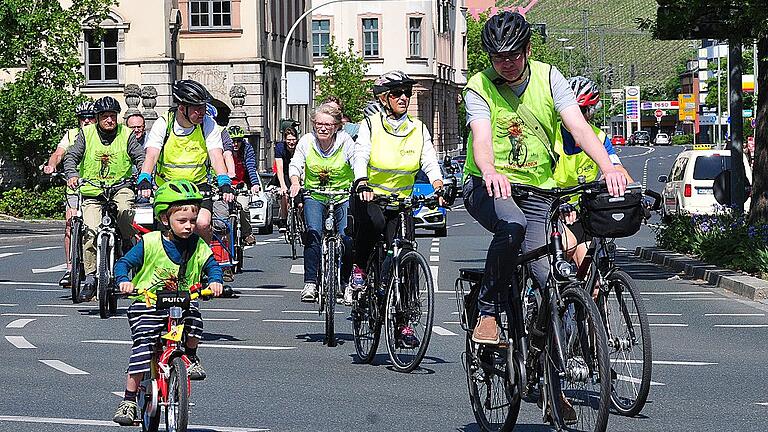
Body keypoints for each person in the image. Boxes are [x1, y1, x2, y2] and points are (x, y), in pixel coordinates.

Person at [462, 11, 626, 423]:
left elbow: (580, 128)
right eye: (499, 57)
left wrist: (608, 166)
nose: (507, 63)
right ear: (489, 58)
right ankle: (487, 309)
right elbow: (482, 138)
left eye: (514, 54)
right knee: (512, 226)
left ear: (528, 50)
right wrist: (490, 171)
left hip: (537, 189)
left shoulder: (551, 78)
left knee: (547, 279)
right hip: (486, 185)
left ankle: (552, 390)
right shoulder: (478, 86)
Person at [111, 180, 223, 426]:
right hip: (147, 304)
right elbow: (123, 264)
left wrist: (215, 281)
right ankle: (129, 400)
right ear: (165, 219)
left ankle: (191, 357)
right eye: (182, 221)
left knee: (194, 322)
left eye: (192, 221)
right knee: (144, 346)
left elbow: (212, 266)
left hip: (181, 303)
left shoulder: (198, 245)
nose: (188, 226)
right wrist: (123, 281)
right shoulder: (150, 242)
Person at [351, 70, 445, 349]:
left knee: (406, 254)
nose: (404, 97)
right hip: (372, 195)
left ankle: (404, 324)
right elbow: (361, 154)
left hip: (402, 200)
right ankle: (361, 268)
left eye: (407, 92)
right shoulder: (370, 125)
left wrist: (438, 183)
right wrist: (361, 182)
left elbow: (428, 158)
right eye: (397, 93)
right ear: (383, 98)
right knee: (375, 224)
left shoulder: (418, 128)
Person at [62, 96, 144, 302]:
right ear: (97, 117)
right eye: (105, 116)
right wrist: (72, 174)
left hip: (120, 187)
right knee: (89, 230)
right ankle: (90, 277)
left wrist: (144, 176)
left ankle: (126, 246)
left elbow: (140, 157)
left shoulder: (126, 133)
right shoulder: (86, 133)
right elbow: (72, 156)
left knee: (126, 213)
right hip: (93, 190)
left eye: (113, 116)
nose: (110, 120)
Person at [137, 79, 234, 243]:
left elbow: (217, 157)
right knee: (161, 228)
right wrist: (144, 177)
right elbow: (152, 155)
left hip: (198, 186)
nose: (202, 112)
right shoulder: (164, 124)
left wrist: (224, 181)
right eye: (197, 108)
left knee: (202, 223)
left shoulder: (208, 124)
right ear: (182, 108)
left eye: (203, 107)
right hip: (167, 186)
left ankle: (204, 262)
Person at [554, 76, 634, 267]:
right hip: (554, 208)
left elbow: (616, 168)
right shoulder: (552, 134)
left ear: (591, 112)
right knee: (567, 246)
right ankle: (541, 290)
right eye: (574, 110)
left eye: (583, 111)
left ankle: (579, 296)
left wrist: (636, 195)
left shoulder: (598, 136)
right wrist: (559, 205)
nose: (578, 116)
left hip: (583, 212)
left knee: (592, 276)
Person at [288, 103, 355, 304]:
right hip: (315, 195)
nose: (323, 128)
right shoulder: (307, 141)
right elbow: (296, 164)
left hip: (342, 194)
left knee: (347, 238)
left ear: (336, 126)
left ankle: (346, 282)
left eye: (328, 124)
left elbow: (355, 161)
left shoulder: (345, 141)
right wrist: (295, 182)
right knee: (313, 234)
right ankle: (310, 283)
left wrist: (360, 183)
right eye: (318, 124)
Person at [44, 101, 96, 287]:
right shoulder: (71, 134)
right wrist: (52, 165)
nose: (87, 121)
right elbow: (58, 153)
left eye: (91, 117)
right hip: (75, 187)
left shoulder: (100, 135)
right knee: (70, 226)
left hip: (96, 186)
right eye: (83, 118)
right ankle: (69, 269)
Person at [270, 126, 299, 231]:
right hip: (285, 172)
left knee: (301, 199)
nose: (291, 142)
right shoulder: (280, 147)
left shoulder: (300, 147)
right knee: (285, 194)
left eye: (293, 139)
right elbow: (280, 168)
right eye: (289, 140)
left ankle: (301, 220)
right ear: (285, 139)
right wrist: (282, 185)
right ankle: (283, 219)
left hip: (298, 172)